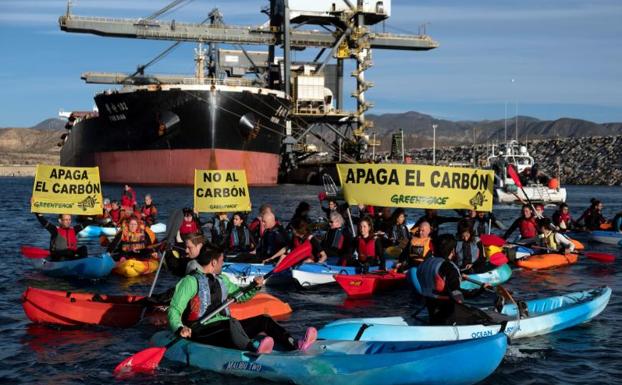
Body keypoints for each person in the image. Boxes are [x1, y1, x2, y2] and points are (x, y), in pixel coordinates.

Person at [167, 248, 317, 354]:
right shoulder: (190, 281)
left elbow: (241, 295)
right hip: (201, 330)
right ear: (213, 263)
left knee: (263, 320)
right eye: (221, 261)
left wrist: (254, 286)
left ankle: (293, 344)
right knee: (231, 323)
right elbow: (174, 309)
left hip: (225, 326)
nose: (222, 263)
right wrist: (180, 327)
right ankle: (252, 349)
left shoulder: (222, 280)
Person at [416, 234, 490, 325]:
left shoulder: (425, 263)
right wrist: (480, 290)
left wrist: (453, 277)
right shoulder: (450, 268)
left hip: (431, 308)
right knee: (482, 316)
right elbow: (458, 297)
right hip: (448, 315)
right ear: (453, 251)